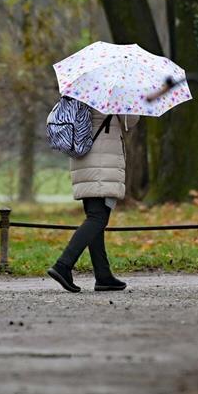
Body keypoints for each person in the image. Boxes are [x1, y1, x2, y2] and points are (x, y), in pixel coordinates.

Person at [47, 109, 136, 293]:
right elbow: (131, 121)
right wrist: (132, 103)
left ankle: (103, 276)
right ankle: (63, 265)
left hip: (83, 156)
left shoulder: (83, 90)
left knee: (95, 218)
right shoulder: (112, 92)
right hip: (102, 162)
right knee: (98, 218)